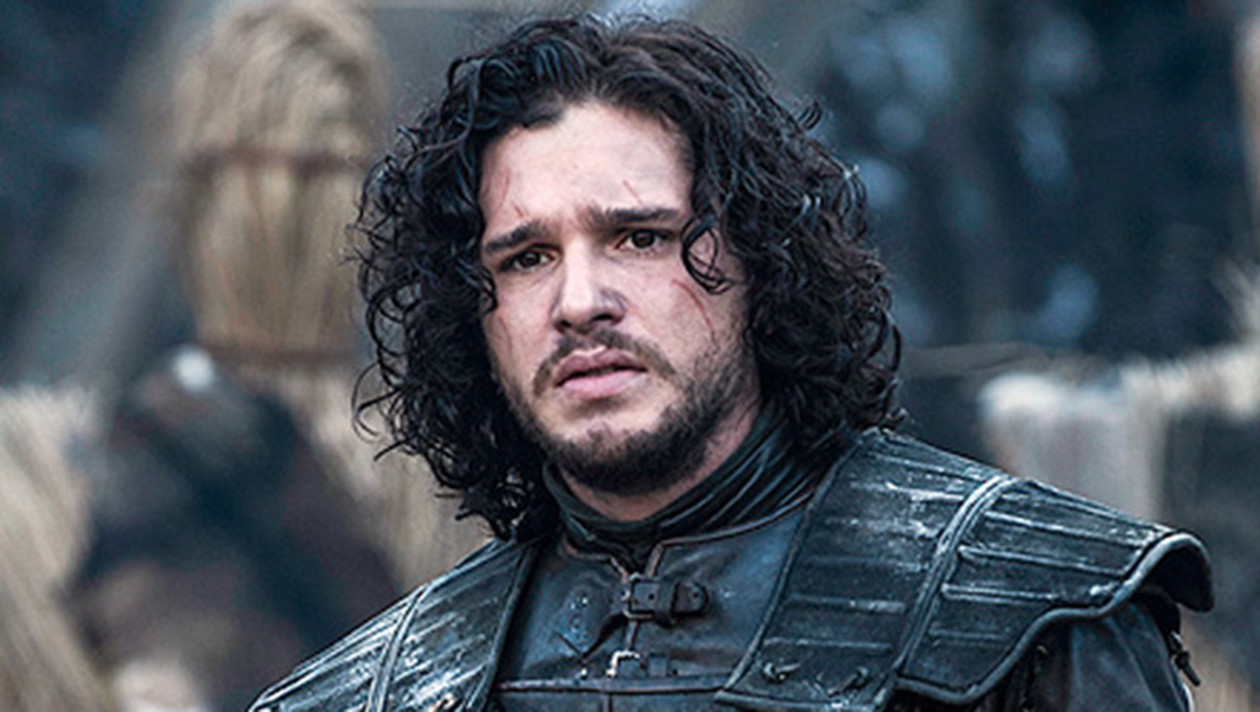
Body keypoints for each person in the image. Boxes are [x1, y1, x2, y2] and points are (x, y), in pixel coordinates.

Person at [249, 14, 1211, 712]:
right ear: (478, 315)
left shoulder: (1039, 615)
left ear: (759, 264)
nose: (579, 301)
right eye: (527, 257)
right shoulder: (375, 693)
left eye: (638, 237)